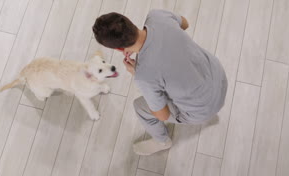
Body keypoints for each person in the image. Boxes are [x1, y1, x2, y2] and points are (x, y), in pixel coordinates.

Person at [92, 9, 227, 155]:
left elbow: (162, 115)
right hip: (219, 78)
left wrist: (137, 72)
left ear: (119, 49)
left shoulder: (144, 75)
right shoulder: (157, 16)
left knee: (139, 107)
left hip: (202, 110)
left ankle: (162, 141)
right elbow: (185, 23)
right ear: (128, 21)